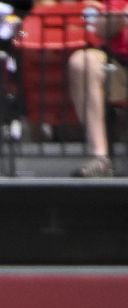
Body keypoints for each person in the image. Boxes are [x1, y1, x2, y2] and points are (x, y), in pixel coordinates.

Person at [68, 0, 128, 177]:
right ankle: (100, 158)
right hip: (118, 64)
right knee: (83, 61)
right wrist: (120, 18)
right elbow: (100, 29)